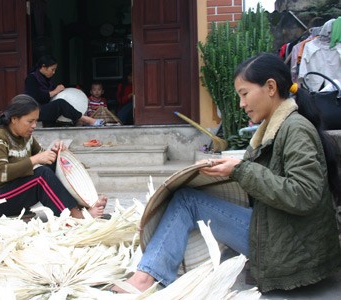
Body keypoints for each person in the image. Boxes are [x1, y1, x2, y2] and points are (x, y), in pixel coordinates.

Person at [112, 53, 341, 293]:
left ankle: (144, 280)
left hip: (290, 247)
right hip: (277, 228)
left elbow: (304, 195)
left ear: (270, 87)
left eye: (244, 94)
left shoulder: (295, 130)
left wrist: (241, 170)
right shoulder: (276, 127)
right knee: (188, 197)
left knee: (187, 201)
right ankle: (149, 275)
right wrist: (233, 170)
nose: (241, 104)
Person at [0, 94, 107, 219]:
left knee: (53, 163)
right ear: (14, 119)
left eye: (36, 121)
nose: (34, 125)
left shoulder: (26, 137)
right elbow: (2, 173)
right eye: (30, 121)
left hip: (13, 192)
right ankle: (75, 216)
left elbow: (45, 157)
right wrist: (35, 159)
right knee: (41, 175)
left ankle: (83, 204)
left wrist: (56, 153)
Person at [24, 54, 104, 127]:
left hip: (46, 109)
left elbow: (54, 93)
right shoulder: (31, 78)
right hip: (35, 111)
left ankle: (78, 121)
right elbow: (36, 97)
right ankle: (87, 120)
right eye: (52, 69)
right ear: (44, 67)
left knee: (63, 101)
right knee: (60, 103)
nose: (54, 72)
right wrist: (55, 91)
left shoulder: (46, 79)